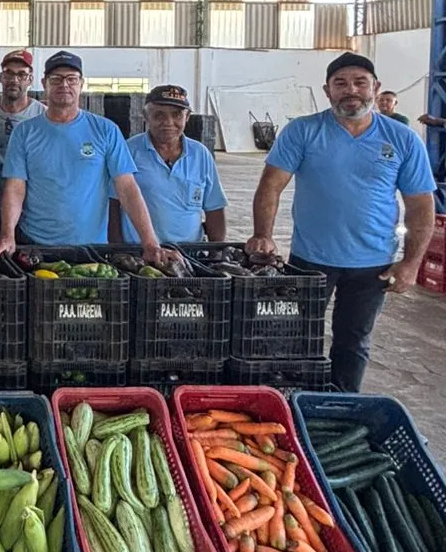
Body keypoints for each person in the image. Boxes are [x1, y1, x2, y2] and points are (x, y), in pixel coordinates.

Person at [248, 52, 436, 392]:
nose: (351, 90)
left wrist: (410, 263)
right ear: (327, 90)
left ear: (375, 88)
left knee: (353, 342)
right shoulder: (302, 132)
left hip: (373, 265)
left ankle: (342, 405)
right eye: (341, 83)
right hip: (309, 261)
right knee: (294, 337)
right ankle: (292, 402)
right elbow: (271, 186)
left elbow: (421, 205)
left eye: (360, 82)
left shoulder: (403, 139)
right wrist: (264, 235)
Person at [0, 51, 172, 264]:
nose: (64, 85)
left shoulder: (105, 130)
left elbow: (127, 188)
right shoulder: (25, 132)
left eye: (71, 79)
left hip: (91, 248)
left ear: (81, 84)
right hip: (35, 247)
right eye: (56, 79)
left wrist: (149, 242)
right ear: (44, 83)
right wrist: (7, 235)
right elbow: (15, 187)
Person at [109, 84, 228, 244]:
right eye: (159, 115)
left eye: (177, 115)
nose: (168, 122)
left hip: (190, 254)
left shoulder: (201, 154)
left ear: (187, 117)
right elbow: (113, 204)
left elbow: (214, 207)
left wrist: (216, 252)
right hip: (140, 254)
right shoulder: (128, 151)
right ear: (146, 116)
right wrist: (117, 250)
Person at [0, 49, 46, 166]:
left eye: (22, 74)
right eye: (9, 73)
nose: (14, 80)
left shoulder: (43, 116)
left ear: (30, 80)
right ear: (1, 77)